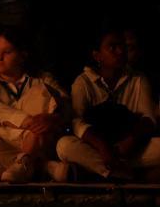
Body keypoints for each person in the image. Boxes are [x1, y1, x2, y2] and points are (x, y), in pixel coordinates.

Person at [0, 26, 68, 183]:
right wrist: (29, 122)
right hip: (2, 142)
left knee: (43, 93)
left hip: (39, 140)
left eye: (7, 52)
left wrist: (54, 119)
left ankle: (26, 164)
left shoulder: (41, 79)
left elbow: (66, 105)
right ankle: (39, 166)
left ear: (22, 56)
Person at [55, 25, 160, 180]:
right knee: (64, 146)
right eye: (113, 47)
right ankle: (128, 174)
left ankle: (97, 172)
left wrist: (130, 141)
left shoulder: (138, 79)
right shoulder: (83, 82)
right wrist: (102, 146)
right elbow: (77, 121)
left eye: (122, 46)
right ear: (97, 55)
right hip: (98, 149)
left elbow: (149, 118)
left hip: (129, 149)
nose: (120, 51)